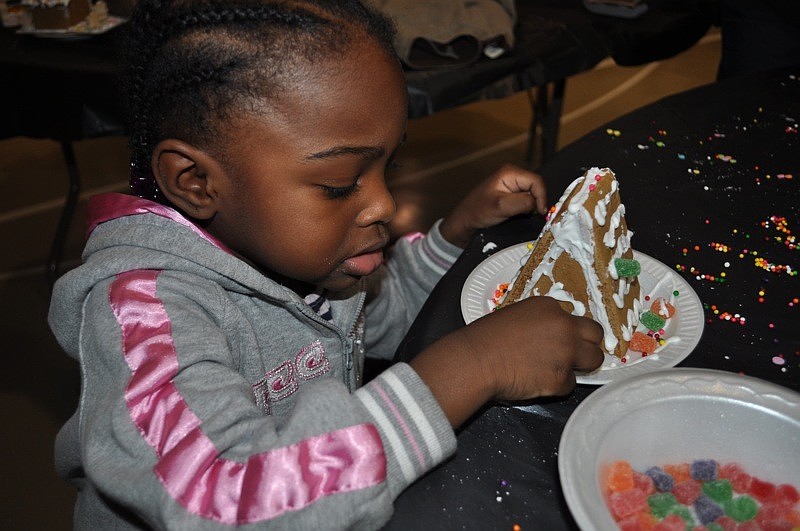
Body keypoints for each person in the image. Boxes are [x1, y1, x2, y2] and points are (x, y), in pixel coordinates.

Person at [48, 0, 604, 529]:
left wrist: (455, 232)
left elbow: (383, 313)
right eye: (339, 184)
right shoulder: (145, 317)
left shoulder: (308, 256)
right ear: (196, 181)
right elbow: (218, 495)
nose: (384, 204)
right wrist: (472, 367)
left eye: (391, 164)